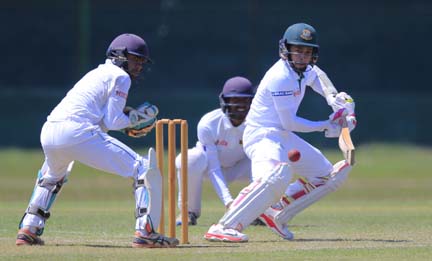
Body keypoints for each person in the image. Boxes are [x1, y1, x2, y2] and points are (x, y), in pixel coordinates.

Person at [16, 33, 179, 248]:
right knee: (143, 167)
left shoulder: (97, 73)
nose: (139, 65)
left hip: (50, 131)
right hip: (77, 131)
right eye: (135, 59)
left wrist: (128, 120)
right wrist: (136, 119)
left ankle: (29, 228)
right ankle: (145, 232)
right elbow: (113, 121)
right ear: (119, 55)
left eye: (141, 61)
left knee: (52, 177)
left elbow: (102, 119)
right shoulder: (121, 77)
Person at [204, 23, 357, 242]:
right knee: (275, 176)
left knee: (326, 176)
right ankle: (223, 226)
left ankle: (277, 211)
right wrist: (326, 124)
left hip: (281, 136)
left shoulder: (306, 70)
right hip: (262, 136)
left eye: (307, 51)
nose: (303, 56)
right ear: (285, 49)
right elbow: (290, 122)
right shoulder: (280, 76)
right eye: (298, 50)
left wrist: (335, 101)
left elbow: (319, 78)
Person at [174, 76, 257, 226]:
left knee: (270, 159)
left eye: (244, 100)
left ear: (252, 102)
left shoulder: (257, 123)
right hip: (207, 167)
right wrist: (229, 202)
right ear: (225, 101)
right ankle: (188, 211)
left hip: (240, 168)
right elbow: (214, 168)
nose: (240, 106)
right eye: (235, 100)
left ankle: (259, 211)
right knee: (188, 159)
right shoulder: (209, 123)